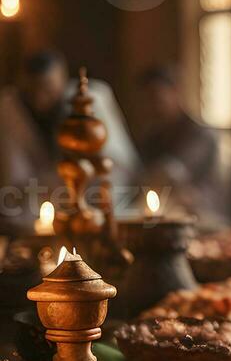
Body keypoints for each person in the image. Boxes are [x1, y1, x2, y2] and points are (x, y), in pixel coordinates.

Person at [0, 51, 139, 235]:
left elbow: (115, 163)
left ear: (62, 79)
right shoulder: (12, 109)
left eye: (47, 89)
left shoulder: (91, 101)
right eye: (33, 91)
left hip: (93, 192)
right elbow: (15, 177)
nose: (40, 98)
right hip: (40, 196)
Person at [135, 64, 228, 226]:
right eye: (147, 100)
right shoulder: (152, 138)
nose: (153, 106)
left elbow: (171, 172)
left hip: (205, 217)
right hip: (167, 217)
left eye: (157, 97)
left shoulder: (201, 135)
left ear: (176, 92)